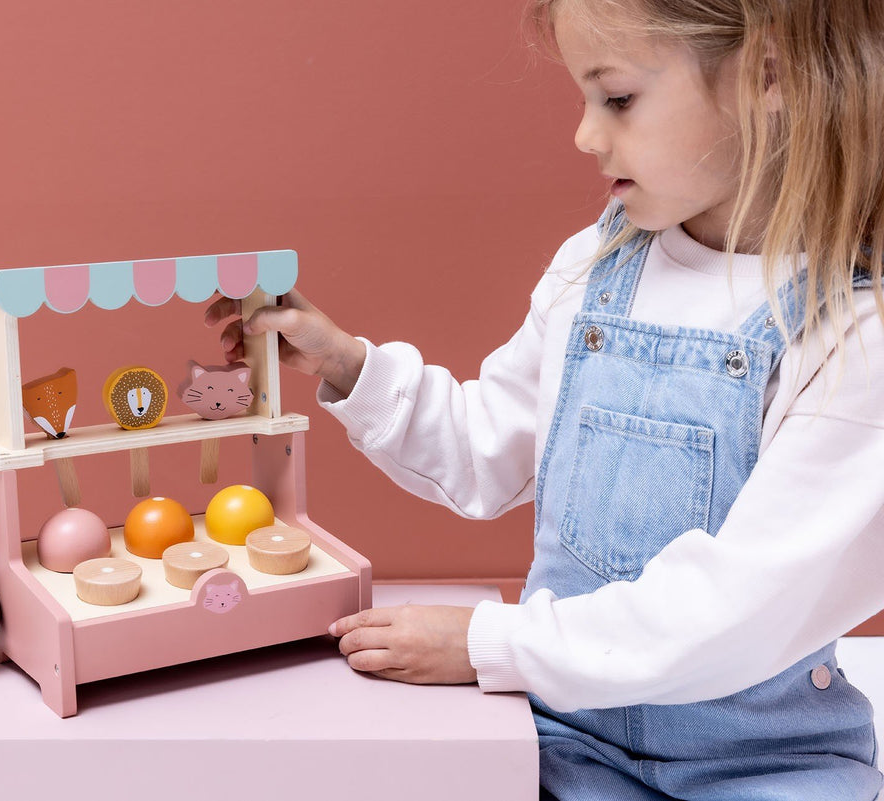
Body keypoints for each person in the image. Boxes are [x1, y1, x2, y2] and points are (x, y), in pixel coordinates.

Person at [206, 0, 884, 798]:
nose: (586, 136)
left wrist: (494, 642)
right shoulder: (593, 267)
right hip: (570, 740)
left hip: (766, 766)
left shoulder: (851, 334)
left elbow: (738, 609)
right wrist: (351, 366)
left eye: (619, 98)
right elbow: (486, 449)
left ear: (770, 75)